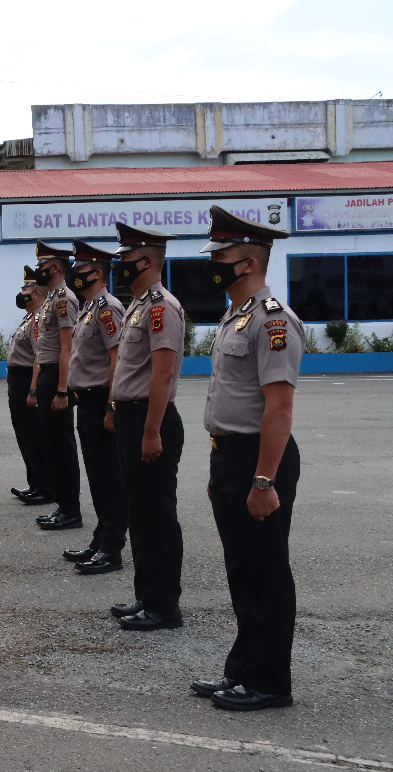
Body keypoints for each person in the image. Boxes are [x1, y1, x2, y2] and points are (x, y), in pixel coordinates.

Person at [191, 205, 302, 711]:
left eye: (222, 254)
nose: (212, 261)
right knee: (242, 570)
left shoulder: (273, 320)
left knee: (265, 572)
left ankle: (270, 682)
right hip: (231, 456)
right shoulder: (235, 316)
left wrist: (263, 480)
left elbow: (279, 407)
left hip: (261, 461)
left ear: (249, 263)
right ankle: (242, 669)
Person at [107, 222, 186, 631]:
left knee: (157, 515)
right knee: (139, 512)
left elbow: (162, 373)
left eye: (125, 259)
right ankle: (146, 596)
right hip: (130, 415)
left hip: (150, 418)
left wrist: (151, 430)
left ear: (147, 261)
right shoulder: (137, 305)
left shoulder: (161, 307)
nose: (119, 264)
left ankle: (164, 607)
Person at [62, 239, 127, 575]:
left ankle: (111, 548)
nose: (74, 274)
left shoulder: (107, 308)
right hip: (85, 400)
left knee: (108, 478)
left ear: (97, 273)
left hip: (101, 399)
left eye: (80, 269)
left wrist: (112, 406)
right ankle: (101, 539)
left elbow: (117, 359)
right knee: (98, 476)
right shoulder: (88, 307)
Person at [28, 241, 82, 528]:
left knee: (62, 446)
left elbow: (67, 348)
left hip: (56, 377)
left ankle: (71, 509)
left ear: (56, 268)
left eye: (43, 267)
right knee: (52, 444)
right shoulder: (52, 298)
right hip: (48, 374)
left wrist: (63, 390)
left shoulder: (64, 299)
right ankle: (63, 505)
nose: (39, 271)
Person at [7, 266, 49, 504]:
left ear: (35, 293)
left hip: (26, 381)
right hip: (17, 380)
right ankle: (35, 483)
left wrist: (33, 390)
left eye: (25, 288)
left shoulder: (38, 320)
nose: (21, 292)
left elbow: (39, 358)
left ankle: (44, 486)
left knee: (34, 436)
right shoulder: (29, 318)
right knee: (25, 435)